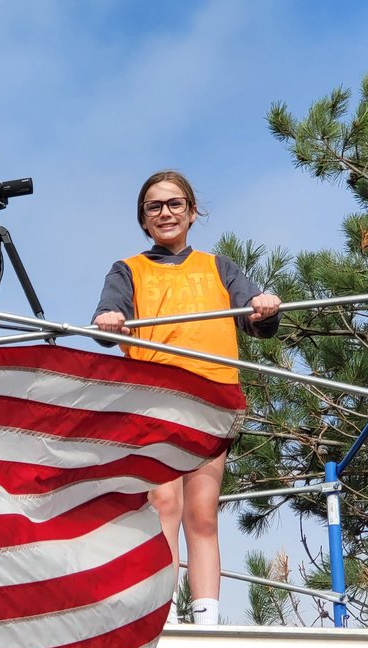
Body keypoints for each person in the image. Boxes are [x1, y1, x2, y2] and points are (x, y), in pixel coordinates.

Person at [93, 170, 281, 625]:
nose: (166, 213)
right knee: (164, 503)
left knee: (202, 512)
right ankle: (161, 615)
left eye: (174, 204)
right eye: (155, 207)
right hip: (157, 396)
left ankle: (206, 618)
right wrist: (110, 319)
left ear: (192, 212)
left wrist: (264, 306)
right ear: (144, 219)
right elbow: (106, 315)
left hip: (210, 395)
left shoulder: (218, 266)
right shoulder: (128, 269)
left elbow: (254, 314)